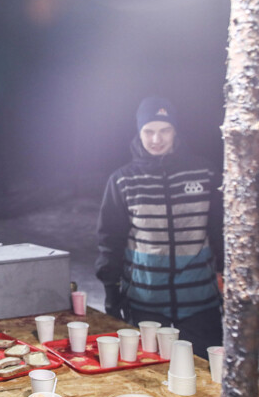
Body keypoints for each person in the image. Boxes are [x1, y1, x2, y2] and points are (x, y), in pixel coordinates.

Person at [95, 95, 223, 358]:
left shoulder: (205, 173)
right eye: (149, 131)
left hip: (199, 300)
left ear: (175, 131)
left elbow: (220, 230)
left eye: (165, 130)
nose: (157, 139)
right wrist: (111, 292)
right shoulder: (123, 181)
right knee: (151, 374)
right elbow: (110, 240)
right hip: (146, 301)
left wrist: (226, 272)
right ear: (139, 132)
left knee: (207, 373)